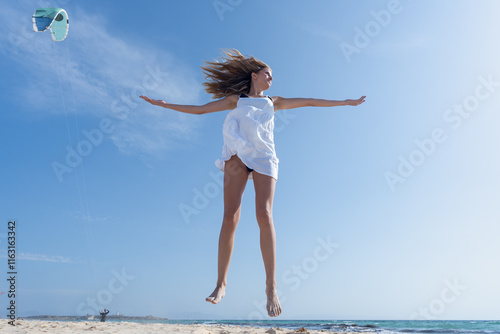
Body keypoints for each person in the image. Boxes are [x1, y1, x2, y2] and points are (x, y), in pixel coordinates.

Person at [140, 48, 365, 317]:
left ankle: (271, 286)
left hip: (264, 157)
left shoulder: (274, 101)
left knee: (264, 214)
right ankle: (221, 283)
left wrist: (345, 102)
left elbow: (311, 101)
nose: (272, 79)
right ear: (254, 75)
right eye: (268, 75)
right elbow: (200, 110)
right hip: (237, 152)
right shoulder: (236, 100)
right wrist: (165, 105)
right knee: (229, 217)